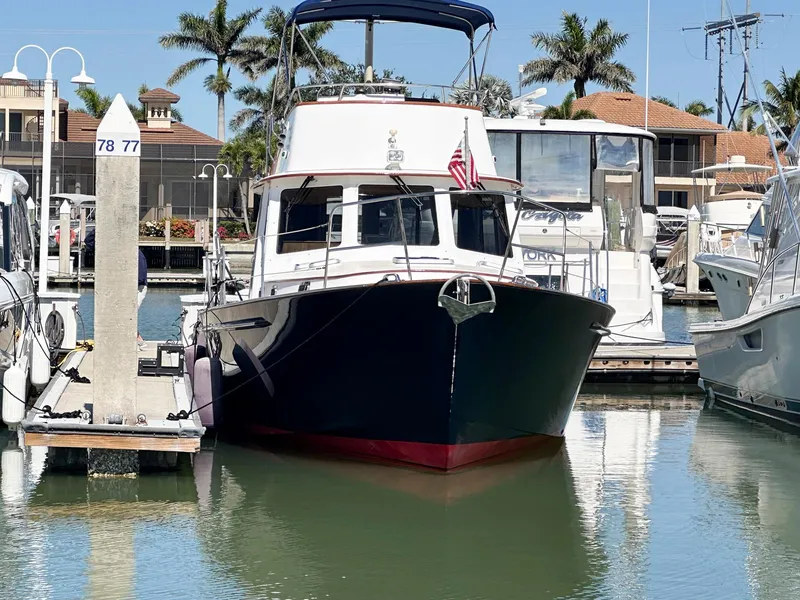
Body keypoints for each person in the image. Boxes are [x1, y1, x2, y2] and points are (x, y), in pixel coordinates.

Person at [137, 248, 147, 350]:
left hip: (138, 289)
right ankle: (139, 340)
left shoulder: (137, 254)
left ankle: (140, 341)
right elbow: (89, 242)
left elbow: (141, 278)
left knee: (128, 315)